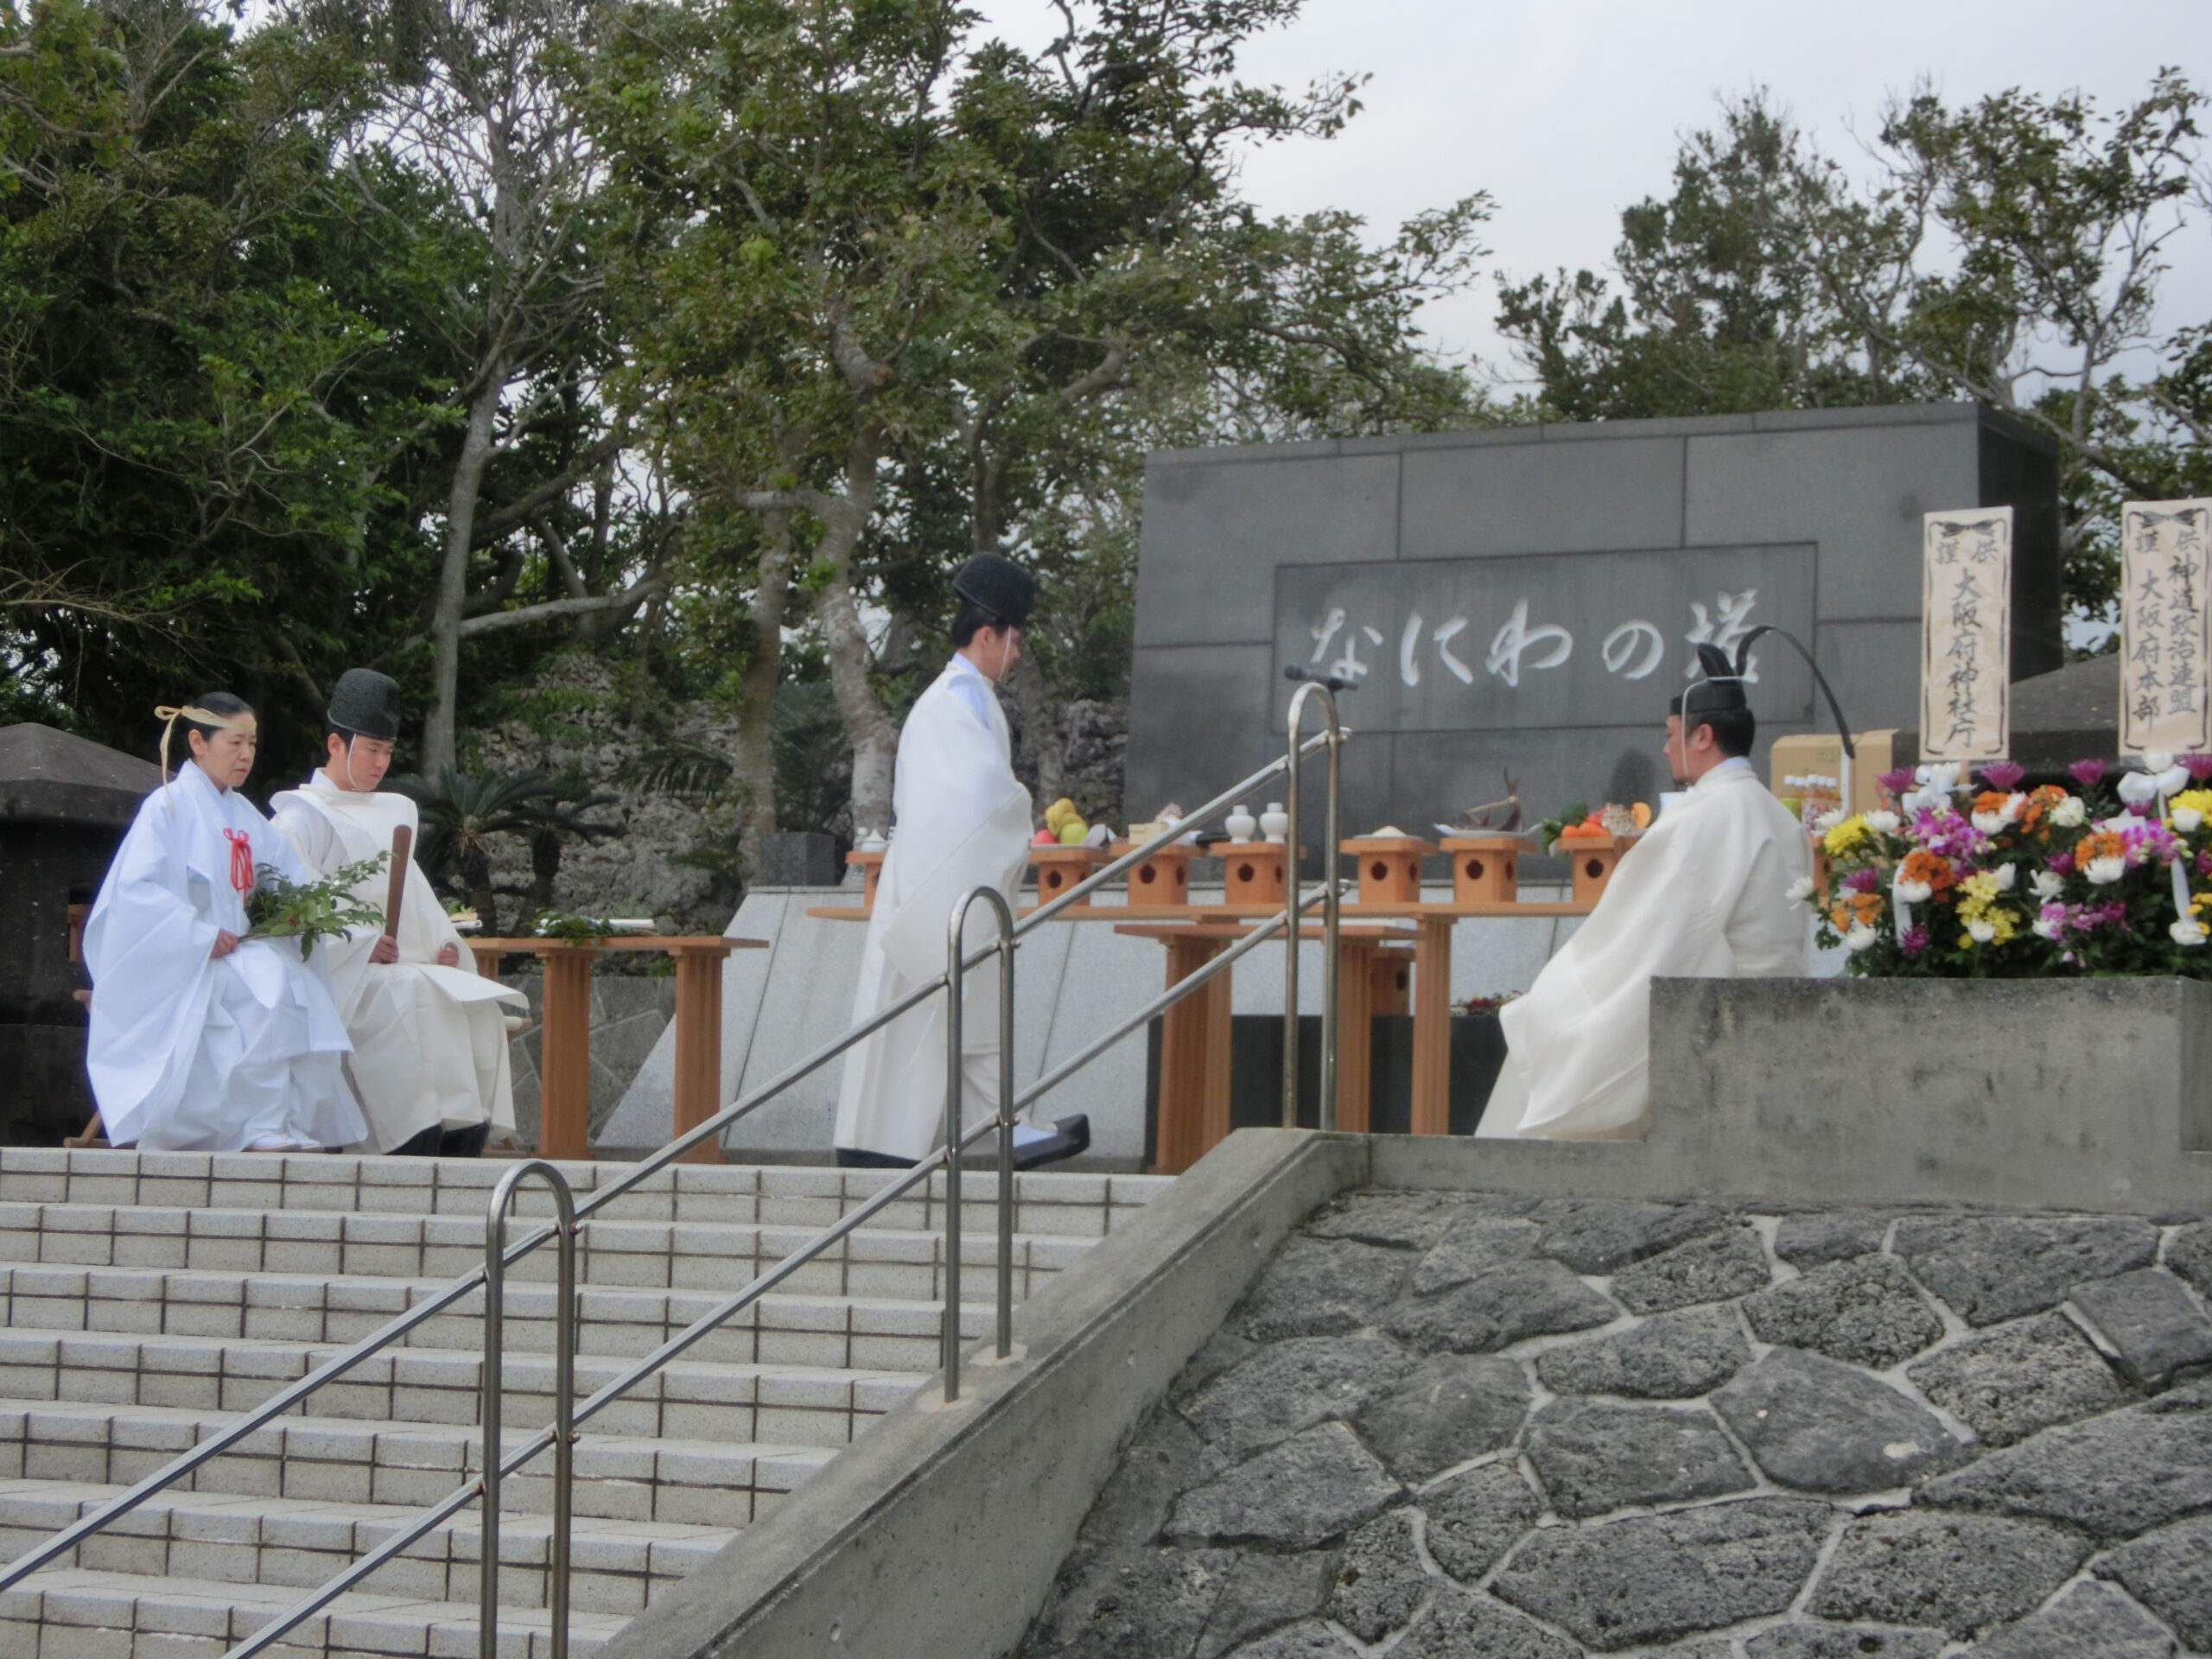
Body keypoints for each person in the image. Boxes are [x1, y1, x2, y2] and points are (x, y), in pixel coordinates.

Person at [1478, 643, 1813, 1141]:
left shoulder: (1702, 818)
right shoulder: (1778, 818)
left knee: (1550, 1023)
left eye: (1670, 735)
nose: (1664, 748)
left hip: (1721, 1018)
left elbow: (1646, 936)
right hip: (1780, 1019)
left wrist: (1558, 991)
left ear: (1703, 736)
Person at [834, 553, 1089, 1169]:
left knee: (971, 1011)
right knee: (936, 1014)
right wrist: (1021, 812)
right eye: (1015, 639)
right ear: (987, 635)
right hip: (935, 885)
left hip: (942, 878)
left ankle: (1005, 1128)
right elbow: (976, 799)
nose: (1018, 653)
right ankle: (884, 1144)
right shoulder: (954, 702)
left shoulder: (962, 698)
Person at [82, 695, 366, 1153]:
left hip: (238, 950)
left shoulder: (246, 815)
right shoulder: (167, 807)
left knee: (296, 986)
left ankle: (279, 1120)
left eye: (251, 743)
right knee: (267, 986)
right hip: (184, 959)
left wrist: (299, 910)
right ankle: (255, 1126)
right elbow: (138, 893)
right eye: (235, 742)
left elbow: (286, 873)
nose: (246, 755)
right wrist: (198, 935)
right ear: (197, 741)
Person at [270, 669, 526, 1157]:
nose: (381, 763)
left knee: (473, 1003)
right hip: (344, 974)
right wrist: (362, 945)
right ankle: (409, 1135)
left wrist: (443, 945)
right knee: (410, 994)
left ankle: (463, 1129)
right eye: (371, 751)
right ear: (336, 744)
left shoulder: (395, 809)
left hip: (401, 965)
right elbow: (293, 910)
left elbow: (416, 898)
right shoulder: (298, 819)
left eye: (388, 753)